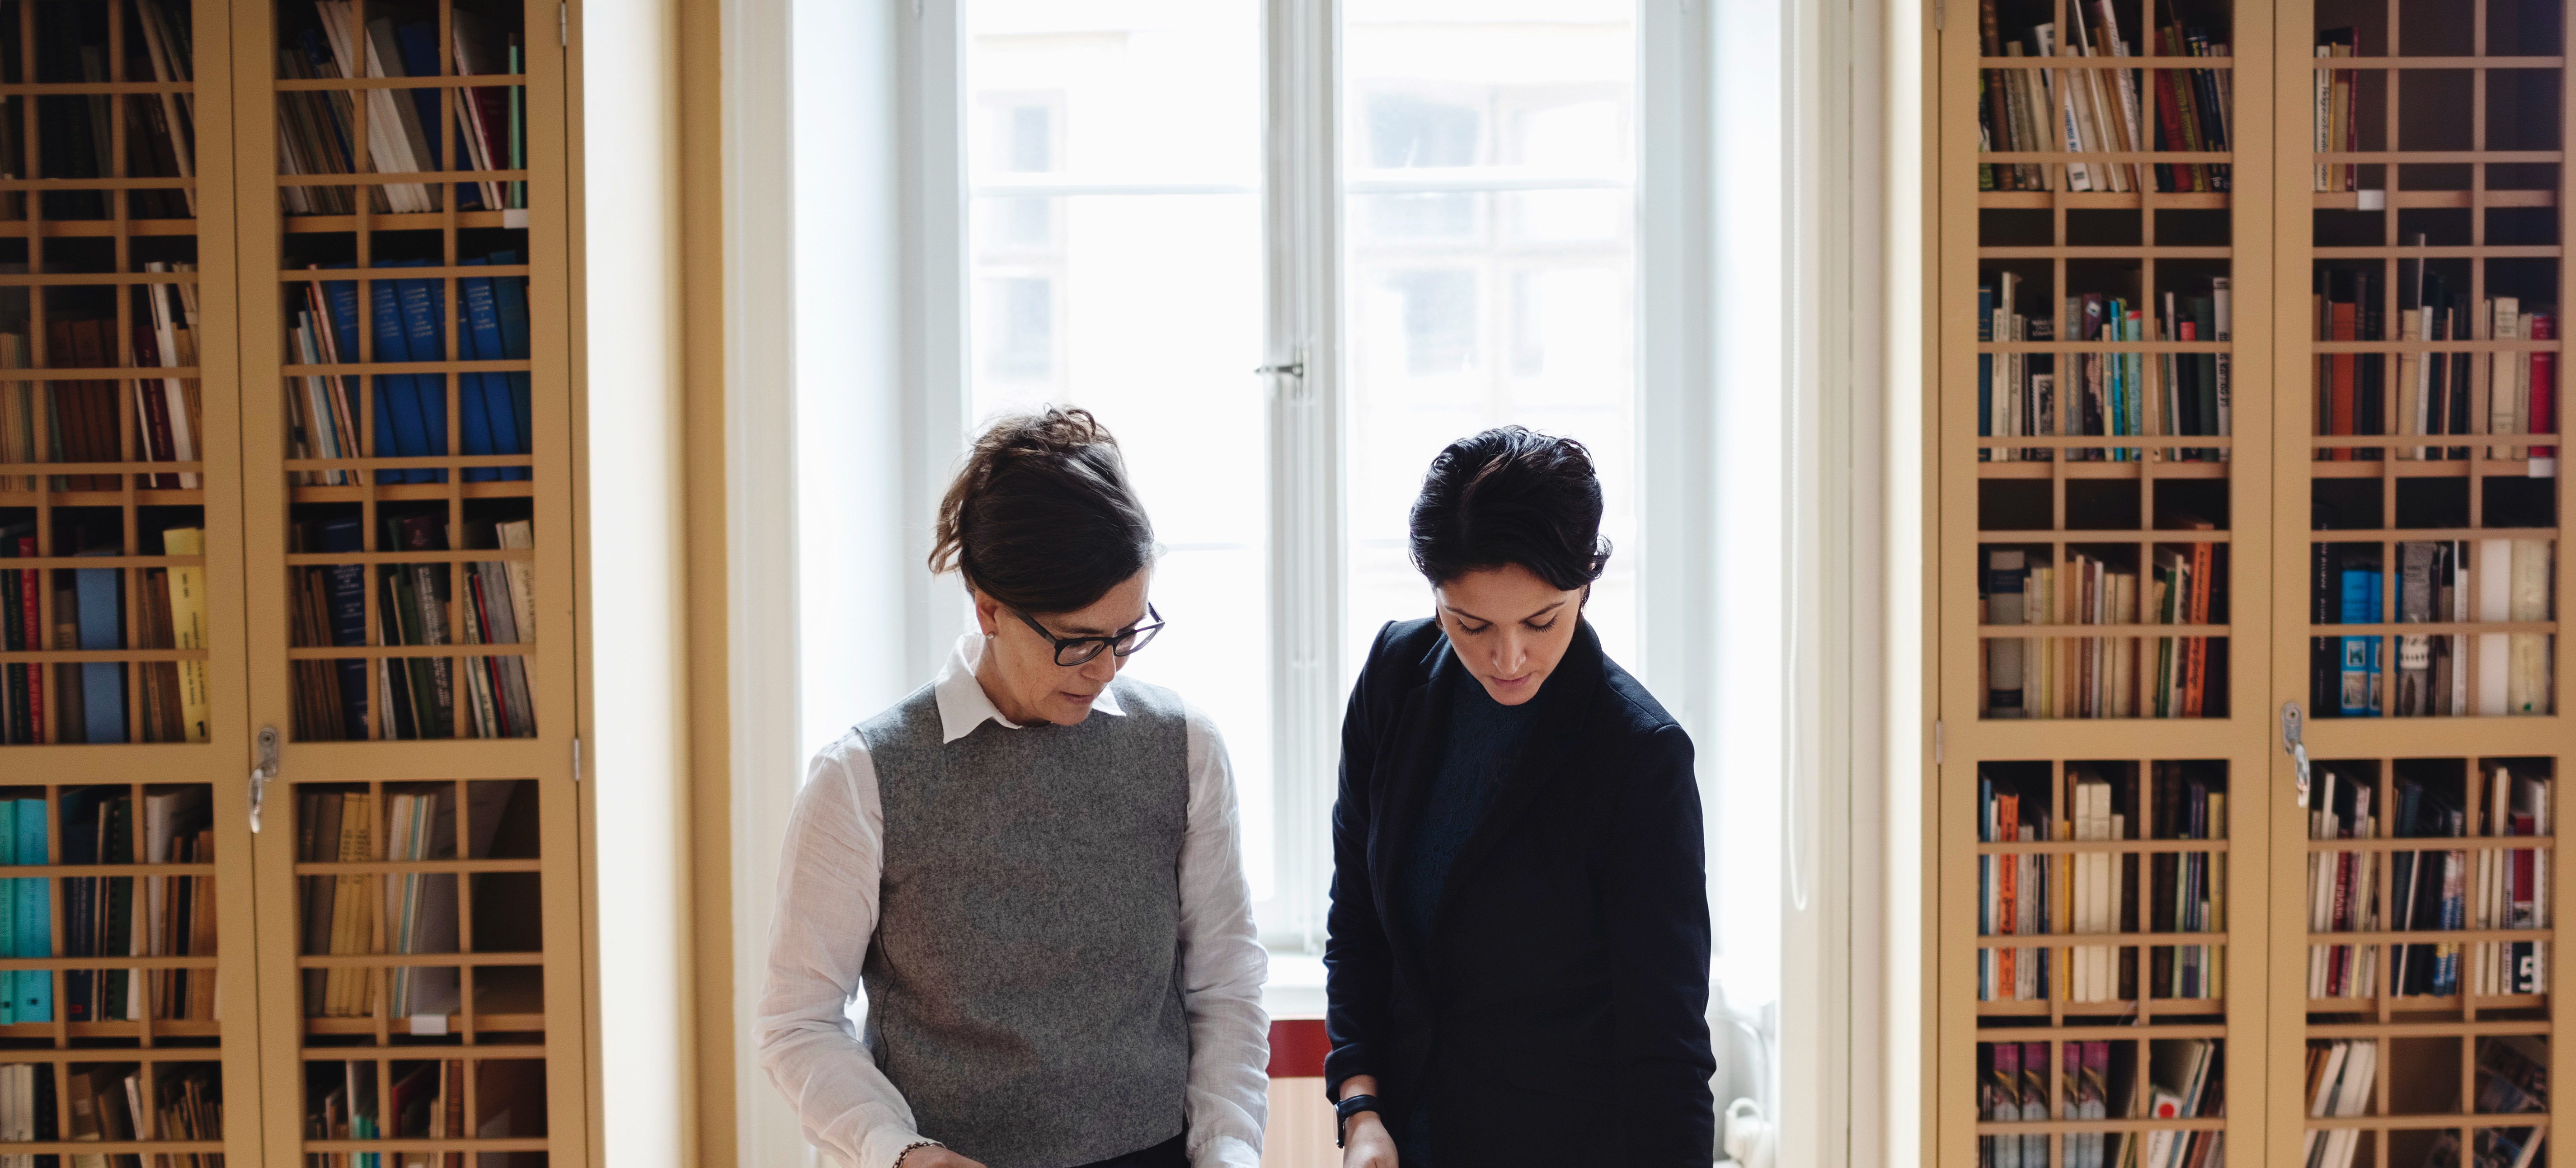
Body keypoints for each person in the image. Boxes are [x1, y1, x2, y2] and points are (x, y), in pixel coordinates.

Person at [756, 408, 1269, 1168]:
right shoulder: (862, 779)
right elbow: (797, 1023)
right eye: (1077, 642)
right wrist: (898, 1151)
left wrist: (1229, 1151)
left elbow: (1224, 984)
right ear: (988, 606)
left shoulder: (1184, 747)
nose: (1106, 669)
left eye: (1127, 634)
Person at [1322, 427, 1716, 1167]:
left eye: (1543, 621)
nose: (1509, 659)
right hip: (1406, 1140)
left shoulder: (1638, 758)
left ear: (1586, 587)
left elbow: (1666, 1048)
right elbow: (1359, 922)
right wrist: (1361, 1107)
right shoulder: (1393, 679)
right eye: (1470, 624)